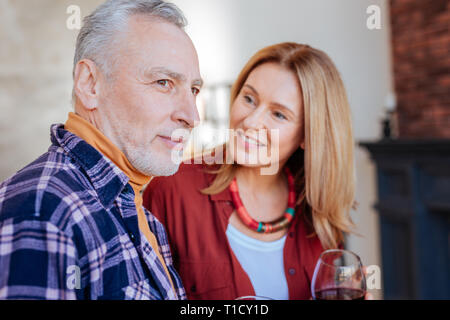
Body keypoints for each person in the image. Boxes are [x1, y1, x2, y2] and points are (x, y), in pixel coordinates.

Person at [0, 0, 203, 300]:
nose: (192, 116)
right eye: (163, 82)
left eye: (194, 90)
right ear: (90, 84)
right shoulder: (43, 210)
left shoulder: (140, 213)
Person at [144, 42, 358, 300]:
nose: (251, 121)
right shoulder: (172, 188)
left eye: (279, 114)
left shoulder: (318, 208)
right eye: (248, 98)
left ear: (308, 135)